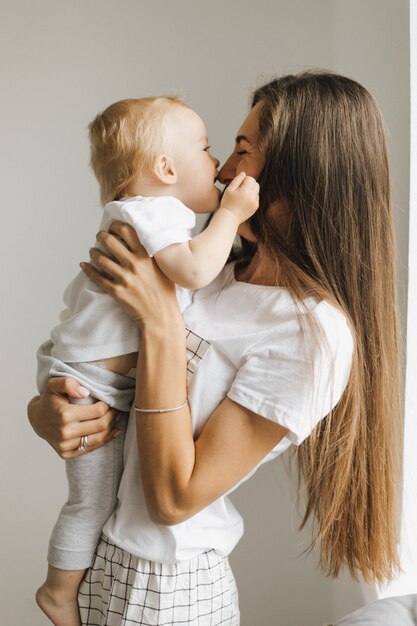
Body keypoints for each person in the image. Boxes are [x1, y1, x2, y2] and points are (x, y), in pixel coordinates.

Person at [28, 71, 403, 626]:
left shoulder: (313, 334)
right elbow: (91, 338)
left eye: (241, 150)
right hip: (102, 556)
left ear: (301, 175)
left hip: (170, 584)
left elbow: (175, 499)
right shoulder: (215, 269)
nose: (224, 170)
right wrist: (50, 411)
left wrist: (159, 322)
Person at [35, 95, 259, 626]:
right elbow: (193, 272)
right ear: (164, 168)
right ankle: (57, 594)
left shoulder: (159, 217)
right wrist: (229, 214)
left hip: (90, 379)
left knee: (96, 502)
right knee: (89, 504)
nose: (218, 165)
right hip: (89, 387)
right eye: (207, 149)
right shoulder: (150, 212)